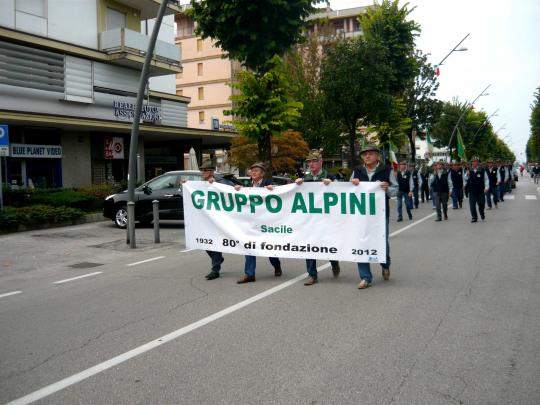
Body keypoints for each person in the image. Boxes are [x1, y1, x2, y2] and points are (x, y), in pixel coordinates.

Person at [351, 144, 397, 289]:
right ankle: (365, 277)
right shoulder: (357, 171)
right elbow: (348, 190)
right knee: (361, 242)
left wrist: (387, 188)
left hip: (380, 215)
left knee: (382, 242)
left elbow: (395, 190)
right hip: (361, 215)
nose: (367, 156)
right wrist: (352, 184)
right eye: (365, 154)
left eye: (371, 153)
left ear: (378, 156)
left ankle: (385, 264)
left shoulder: (386, 170)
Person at [295, 149, 341, 286]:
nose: (311, 164)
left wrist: (333, 185)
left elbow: (344, 192)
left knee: (327, 244)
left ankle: (334, 261)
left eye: (314, 161)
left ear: (320, 162)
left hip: (326, 218)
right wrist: (297, 184)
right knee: (309, 245)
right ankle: (312, 275)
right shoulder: (305, 178)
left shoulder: (330, 176)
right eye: (309, 162)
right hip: (310, 219)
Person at [235, 162, 283, 284]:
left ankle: (276, 265)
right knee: (249, 247)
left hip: (265, 223)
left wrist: (272, 189)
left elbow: (279, 193)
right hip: (251, 223)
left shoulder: (267, 183)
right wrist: (238, 189)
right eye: (252, 170)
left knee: (269, 248)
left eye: (257, 170)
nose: (254, 172)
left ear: (262, 174)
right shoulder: (247, 184)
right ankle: (250, 274)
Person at [198, 160, 234, 280]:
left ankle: (215, 270)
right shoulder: (201, 183)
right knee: (205, 243)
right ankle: (218, 259)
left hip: (219, 218)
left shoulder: (221, 181)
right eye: (201, 170)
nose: (202, 172)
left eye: (204, 170)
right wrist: (185, 184)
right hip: (207, 218)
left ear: (211, 171)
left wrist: (217, 185)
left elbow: (232, 190)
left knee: (215, 243)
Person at [465, 156, 489, 223]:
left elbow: (486, 179)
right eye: (473, 161)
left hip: (481, 191)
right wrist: (467, 175)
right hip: (472, 191)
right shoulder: (469, 170)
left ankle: (482, 213)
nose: (474, 162)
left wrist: (486, 187)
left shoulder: (482, 170)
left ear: (478, 162)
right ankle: (474, 217)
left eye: (476, 161)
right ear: (471, 163)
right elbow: (465, 179)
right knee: (472, 205)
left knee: (481, 205)